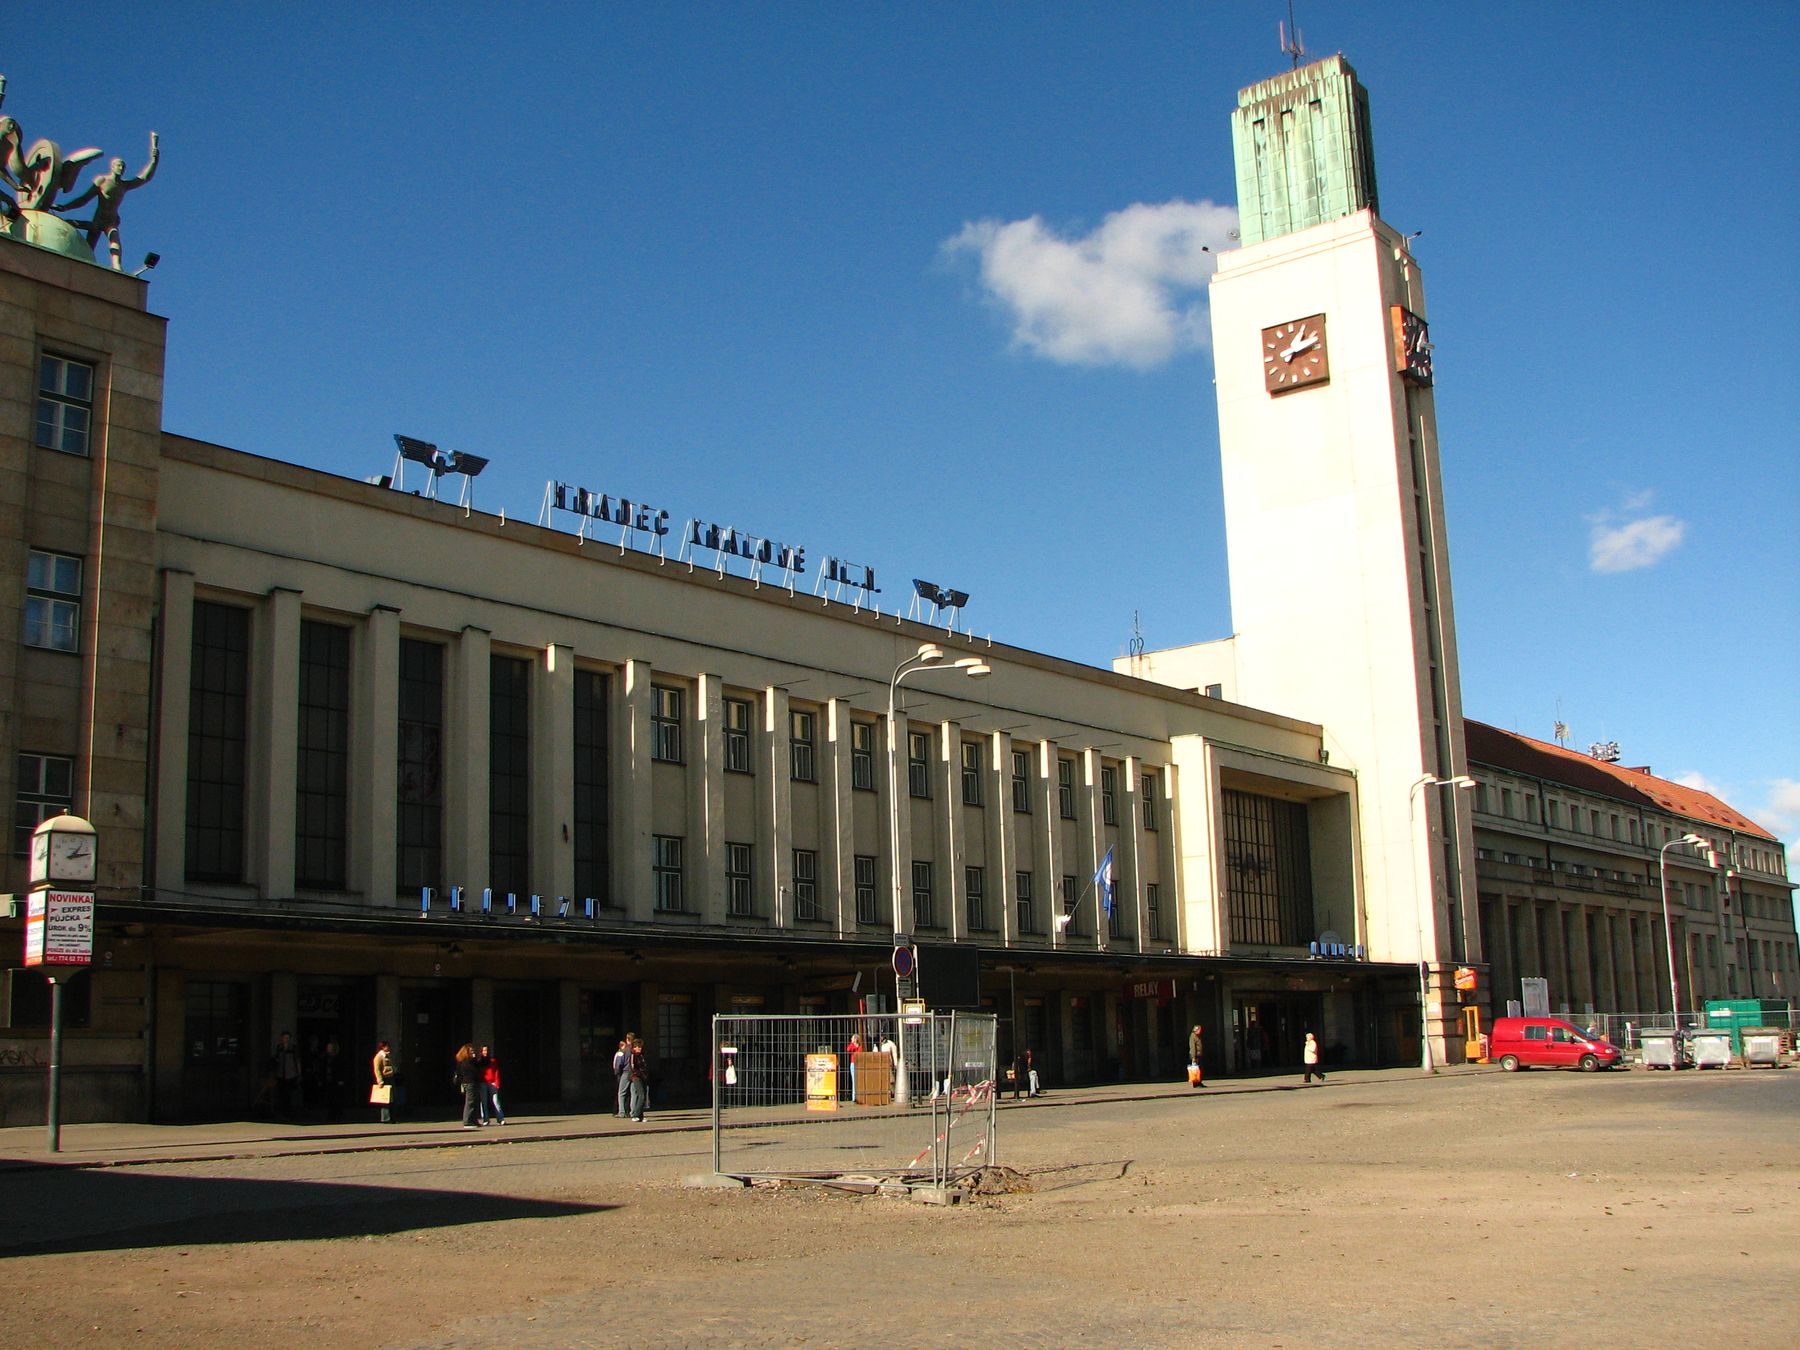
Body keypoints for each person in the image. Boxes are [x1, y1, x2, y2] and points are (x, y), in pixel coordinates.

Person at [58, 132, 159, 271]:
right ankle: (71, 229)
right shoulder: (102, 181)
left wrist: (154, 160)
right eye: (118, 165)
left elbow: (144, 178)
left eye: (123, 166)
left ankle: (117, 267)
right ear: (112, 166)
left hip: (111, 220)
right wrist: (65, 207)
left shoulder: (124, 185)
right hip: (98, 219)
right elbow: (84, 199)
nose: (121, 168)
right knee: (89, 248)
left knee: (114, 239)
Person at [271, 1031, 302, 1117]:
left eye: (288, 1038)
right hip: (281, 1074)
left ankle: (289, 1111)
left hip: (291, 1074)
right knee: (282, 1093)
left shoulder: (293, 1048)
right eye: (285, 1038)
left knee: (289, 1093)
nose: (286, 1040)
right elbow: (277, 1059)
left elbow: (297, 1061)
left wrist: (299, 1073)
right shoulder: (279, 1048)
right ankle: (283, 1110)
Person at [454, 1043, 482, 1128]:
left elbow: (478, 1067)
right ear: (466, 1052)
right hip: (469, 1083)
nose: (473, 1052)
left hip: (474, 1082)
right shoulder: (465, 1062)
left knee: (475, 1102)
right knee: (470, 1102)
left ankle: (474, 1120)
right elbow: (472, 1071)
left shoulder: (472, 1061)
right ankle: (468, 1121)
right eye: (471, 1051)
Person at [371, 1039, 397, 1124]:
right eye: (387, 1046)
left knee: (391, 1099)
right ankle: (386, 1118)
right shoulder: (379, 1056)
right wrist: (380, 1081)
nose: (389, 1048)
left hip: (390, 1078)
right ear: (383, 1047)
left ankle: (392, 1117)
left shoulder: (388, 1056)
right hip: (385, 1079)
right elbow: (377, 1070)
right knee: (385, 1100)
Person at [480, 1045, 506, 1124]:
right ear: (481, 1052)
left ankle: (500, 1118)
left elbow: (496, 1072)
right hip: (482, 1082)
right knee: (483, 1101)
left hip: (492, 1082)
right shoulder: (479, 1061)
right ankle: (485, 1119)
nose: (485, 1052)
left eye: (487, 1050)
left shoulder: (493, 1061)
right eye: (484, 1050)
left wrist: (497, 1082)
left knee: (496, 1101)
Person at [626, 1036, 649, 1123]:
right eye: (637, 1047)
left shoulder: (642, 1056)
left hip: (643, 1077)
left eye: (640, 1047)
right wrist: (638, 1074)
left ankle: (641, 1116)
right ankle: (635, 1114)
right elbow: (632, 1068)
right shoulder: (632, 1056)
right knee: (641, 1095)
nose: (638, 1048)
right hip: (636, 1077)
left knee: (643, 1096)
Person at [612, 1036, 633, 1118]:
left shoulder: (623, 1051)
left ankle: (621, 1112)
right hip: (634, 1072)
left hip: (625, 1072)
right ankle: (632, 1111)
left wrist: (617, 1073)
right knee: (632, 1093)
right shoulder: (634, 1050)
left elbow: (618, 1064)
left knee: (621, 1093)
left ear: (627, 1039)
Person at [844, 1030, 863, 1103]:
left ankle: (858, 1096)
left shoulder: (860, 1046)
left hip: (859, 1063)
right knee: (854, 1080)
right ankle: (854, 1097)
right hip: (853, 1063)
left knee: (858, 1080)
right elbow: (848, 1049)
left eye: (852, 1038)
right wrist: (853, 1045)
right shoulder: (852, 1045)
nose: (851, 1039)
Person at [1187, 1024, 1205, 1088]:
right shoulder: (1193, 1036)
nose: (1200, 1031)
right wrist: (1193, 1057)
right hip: (1195, 1056)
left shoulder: (1198, 1036)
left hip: (1199, 1055)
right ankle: (1196, 1083)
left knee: (1199, 1070)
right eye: (1199, 1030)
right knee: (1195, 1070)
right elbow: (1192, 1047)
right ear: (1196, 1030)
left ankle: (1199, 1082)